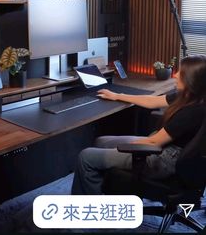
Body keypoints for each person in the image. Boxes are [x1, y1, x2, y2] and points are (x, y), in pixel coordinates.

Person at [71, 55, 206, 195]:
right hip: (165, 148)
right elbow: (152, 101)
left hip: (163, 160)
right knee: (102, 142)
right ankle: (110, 191)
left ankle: (92, 211)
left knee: (86, 157)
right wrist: (117, 95)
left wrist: (127, 147)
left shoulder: (192, 111)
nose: (175, 75)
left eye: (181, 73)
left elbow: (153, 141)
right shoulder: (189, 97)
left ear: (192, 79)